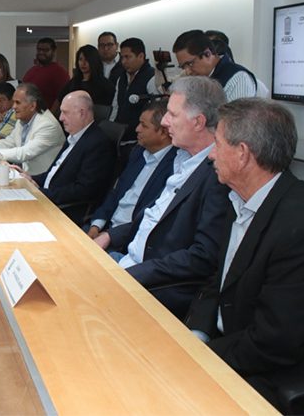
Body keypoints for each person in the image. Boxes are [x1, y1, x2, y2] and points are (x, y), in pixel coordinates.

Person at [186, 98, 304, 411]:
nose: (210, 155)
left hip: (279, 377)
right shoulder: (240, 200)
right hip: (233, 346)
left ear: (243, 153)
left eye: (217, 144)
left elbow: (274, 343)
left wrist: (198, 357)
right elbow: (218, 282)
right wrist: (196, 334)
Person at [93, 76, 230, 319]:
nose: (165, 122)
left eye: (172, 114)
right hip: (125, 261)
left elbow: (202, 257)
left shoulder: (217, 176)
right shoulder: (178, 159)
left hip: (151, 286)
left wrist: (130, 274)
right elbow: (152, 218)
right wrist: (109, 235)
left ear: (198, 122)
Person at [20, 91, 115, 223]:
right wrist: (29, 178)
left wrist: (40, 192)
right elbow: (53, 175)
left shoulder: (98, 143)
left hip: (63, 210)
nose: (60, 118)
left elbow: (84, 190)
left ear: (82, 113)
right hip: (48, 199)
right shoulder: (74, 136)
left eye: (65, 112)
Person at [85, 99, 176, 237]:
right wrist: (96, 225)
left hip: (127, 238)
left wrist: (110, 236)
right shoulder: (137, 152)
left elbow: (149, 218)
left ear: (163, 132)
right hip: (105, 228)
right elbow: (116, 192)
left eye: (144, 126)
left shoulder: (174, 167)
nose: (137, 129)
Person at [0, 83, 65, 176]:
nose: (13, 107)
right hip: (24, 176)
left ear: (33, 106)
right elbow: (9, 143)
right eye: (14, 102)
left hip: (41, 182)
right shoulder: (23, 119)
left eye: (18, 103)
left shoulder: (47, 125)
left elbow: (23, 153)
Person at [173, 30, 257, 101]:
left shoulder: (238, 79)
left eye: (190, 64)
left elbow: (238, 116)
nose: (188, 72)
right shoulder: (198, 80)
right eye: (183, 67)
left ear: (208, 54)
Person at [109, 37, 157, 156]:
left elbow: (155, 111)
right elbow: (115, 106)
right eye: (122, 57)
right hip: (120, 137)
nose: (123, 62)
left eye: (128, 57)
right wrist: (111, 129)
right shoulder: (121, 78)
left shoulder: (151, 77)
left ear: (141, 56)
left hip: (139, 141)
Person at [21, 37, 70, 113]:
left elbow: (62, 98)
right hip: (28, 114)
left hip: (45, 115)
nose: (41, 52)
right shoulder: (32, 70)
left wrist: (50, 116)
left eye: (46, 50)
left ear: (53, 51)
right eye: (39, 50)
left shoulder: (60, 72)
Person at [57, 44, 113, 109]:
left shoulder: (104, 84)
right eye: (80, 59)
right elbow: (60, 98)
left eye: (87, 59)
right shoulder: (74, 81)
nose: (83, 63)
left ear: (93, 60)